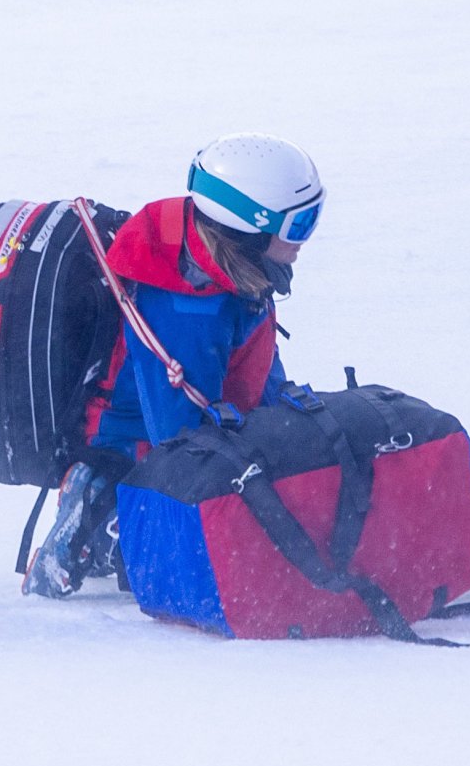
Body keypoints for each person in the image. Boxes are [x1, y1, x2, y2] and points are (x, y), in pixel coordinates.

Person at [23, 134, 325, 597]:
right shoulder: (188, 307)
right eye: (300, 224)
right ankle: (101, 510)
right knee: (189, 546)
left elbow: (256, 370)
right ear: (251, 226)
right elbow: (180, 443)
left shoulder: (230, 267)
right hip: (131, 441)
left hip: (182, 419)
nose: (306, 239)